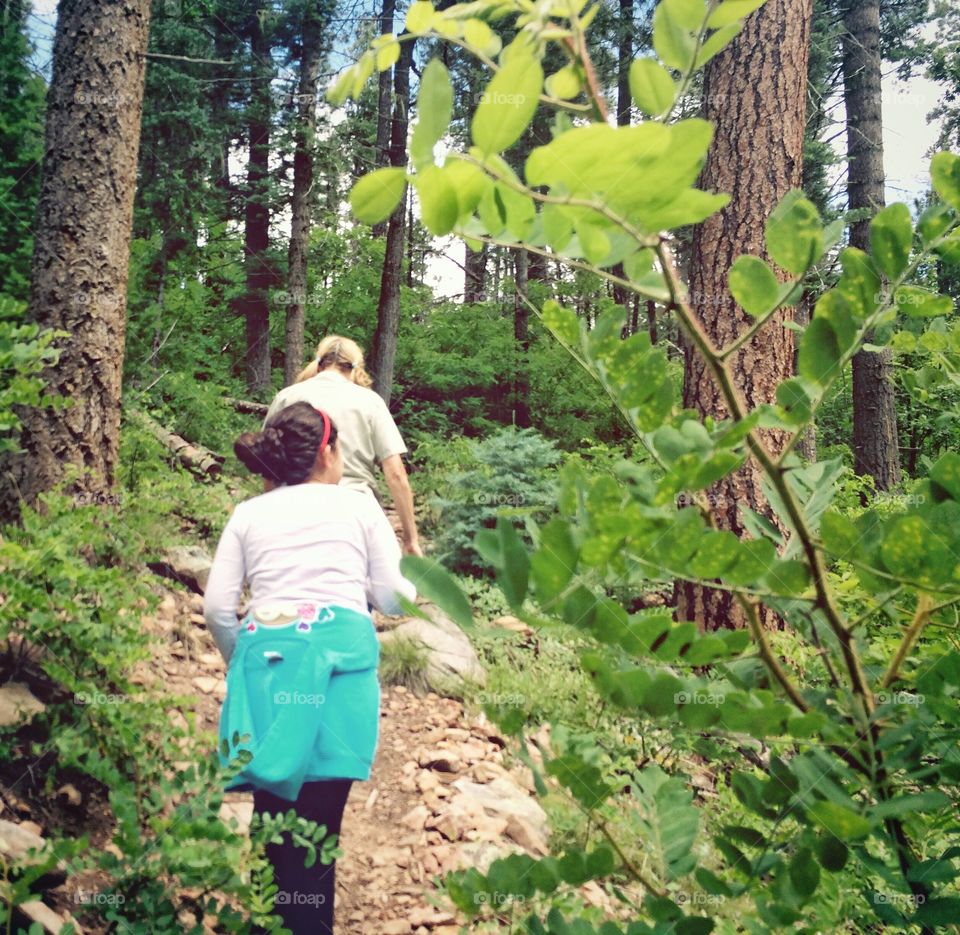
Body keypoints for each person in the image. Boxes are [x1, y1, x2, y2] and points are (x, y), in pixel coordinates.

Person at [203, 402, 416, 934]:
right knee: (320, 821)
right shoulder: (359, 505)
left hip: (269, 667)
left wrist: (242, 665)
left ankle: (264, 922)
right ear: (327, 452)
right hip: (339, 675)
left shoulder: (248, 513)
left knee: (271, 813)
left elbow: (216, 607)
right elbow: (393, 599)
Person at [263, 335, 423, 557]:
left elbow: (268, 463)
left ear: (320, 363)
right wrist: (411, 539)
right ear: (355, 367)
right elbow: (396, 474)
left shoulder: (287, 397)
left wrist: (272, 511)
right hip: (357, 511)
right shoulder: (370, 402)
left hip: (294, 506)